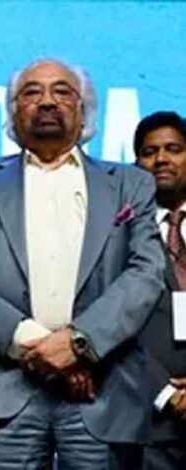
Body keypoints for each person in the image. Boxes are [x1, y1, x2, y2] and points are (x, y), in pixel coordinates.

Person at [0, 58, 164, 469]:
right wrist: (45, 348)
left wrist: (81, 342)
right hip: (4, 390)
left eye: (62, 91)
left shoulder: (131, 183)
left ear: (84, 110)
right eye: (32, 92)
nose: (47, 101)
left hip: (103, 389)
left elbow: (146, 275)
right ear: (13, 112)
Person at [134, 111, 186, 470]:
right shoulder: (118, 235)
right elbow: (114, 329)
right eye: (149, 152)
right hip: (150, 422)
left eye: (174, 149)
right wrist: (168, 395)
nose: (161, 159)